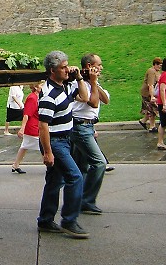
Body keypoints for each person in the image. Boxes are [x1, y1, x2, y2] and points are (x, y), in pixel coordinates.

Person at [37, 50, 89, 239]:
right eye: (63, 67)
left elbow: (84, 97)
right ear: (52, 70)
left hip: (65, 140)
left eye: (67, 66)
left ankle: (45, 220)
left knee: (54, 181)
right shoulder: (49, 95)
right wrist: (48, 152)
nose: (68, 70)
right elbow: (43, 126)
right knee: (75, 177)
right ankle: (69, 220)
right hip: (55, 142)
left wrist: (79, 78)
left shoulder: (64, 87)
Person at [70, 53, 109, 215]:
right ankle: (86, 200)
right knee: (99, 163)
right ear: (88, 66)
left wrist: (94, 83)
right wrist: (91, 82)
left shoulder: (93, 83)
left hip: (87, 127)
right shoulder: (76, 84)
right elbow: (93, 102)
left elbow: (105, 99)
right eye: (98, 65)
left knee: (82, 167)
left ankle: (77, 201)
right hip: (79, 127)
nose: (101, 68)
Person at [11, 82, 43, 174]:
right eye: (41, 85)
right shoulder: (32, 98)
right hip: (33, 127)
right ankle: (50, 165)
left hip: (34, 125)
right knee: (43, 146)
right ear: (36, 87)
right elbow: (26, 114)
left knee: (24, 146)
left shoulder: (37, 97)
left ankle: (15, 165)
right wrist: (22, 128)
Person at [139, 57, 162, 133]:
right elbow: (150, 85)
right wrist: (152, 96)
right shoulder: (151, 71)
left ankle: (143, 121)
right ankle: (152, 127)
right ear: (155, 64)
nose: (160, 67)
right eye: (159, 65)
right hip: (147, 93)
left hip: (153, 93)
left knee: (151, 109)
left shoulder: (157, 72)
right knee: (152, 109)